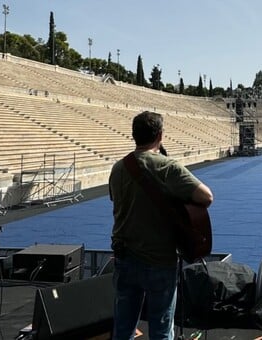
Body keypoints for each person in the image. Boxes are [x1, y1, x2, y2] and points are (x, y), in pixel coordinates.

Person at [109, 111, 213, 340]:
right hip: (159, 260)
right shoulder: (167, 167)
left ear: (134, 135)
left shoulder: (117, 168)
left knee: (123, 328)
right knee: (161, 330)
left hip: (124, 258)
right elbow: (206, 197)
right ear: (160, 135)